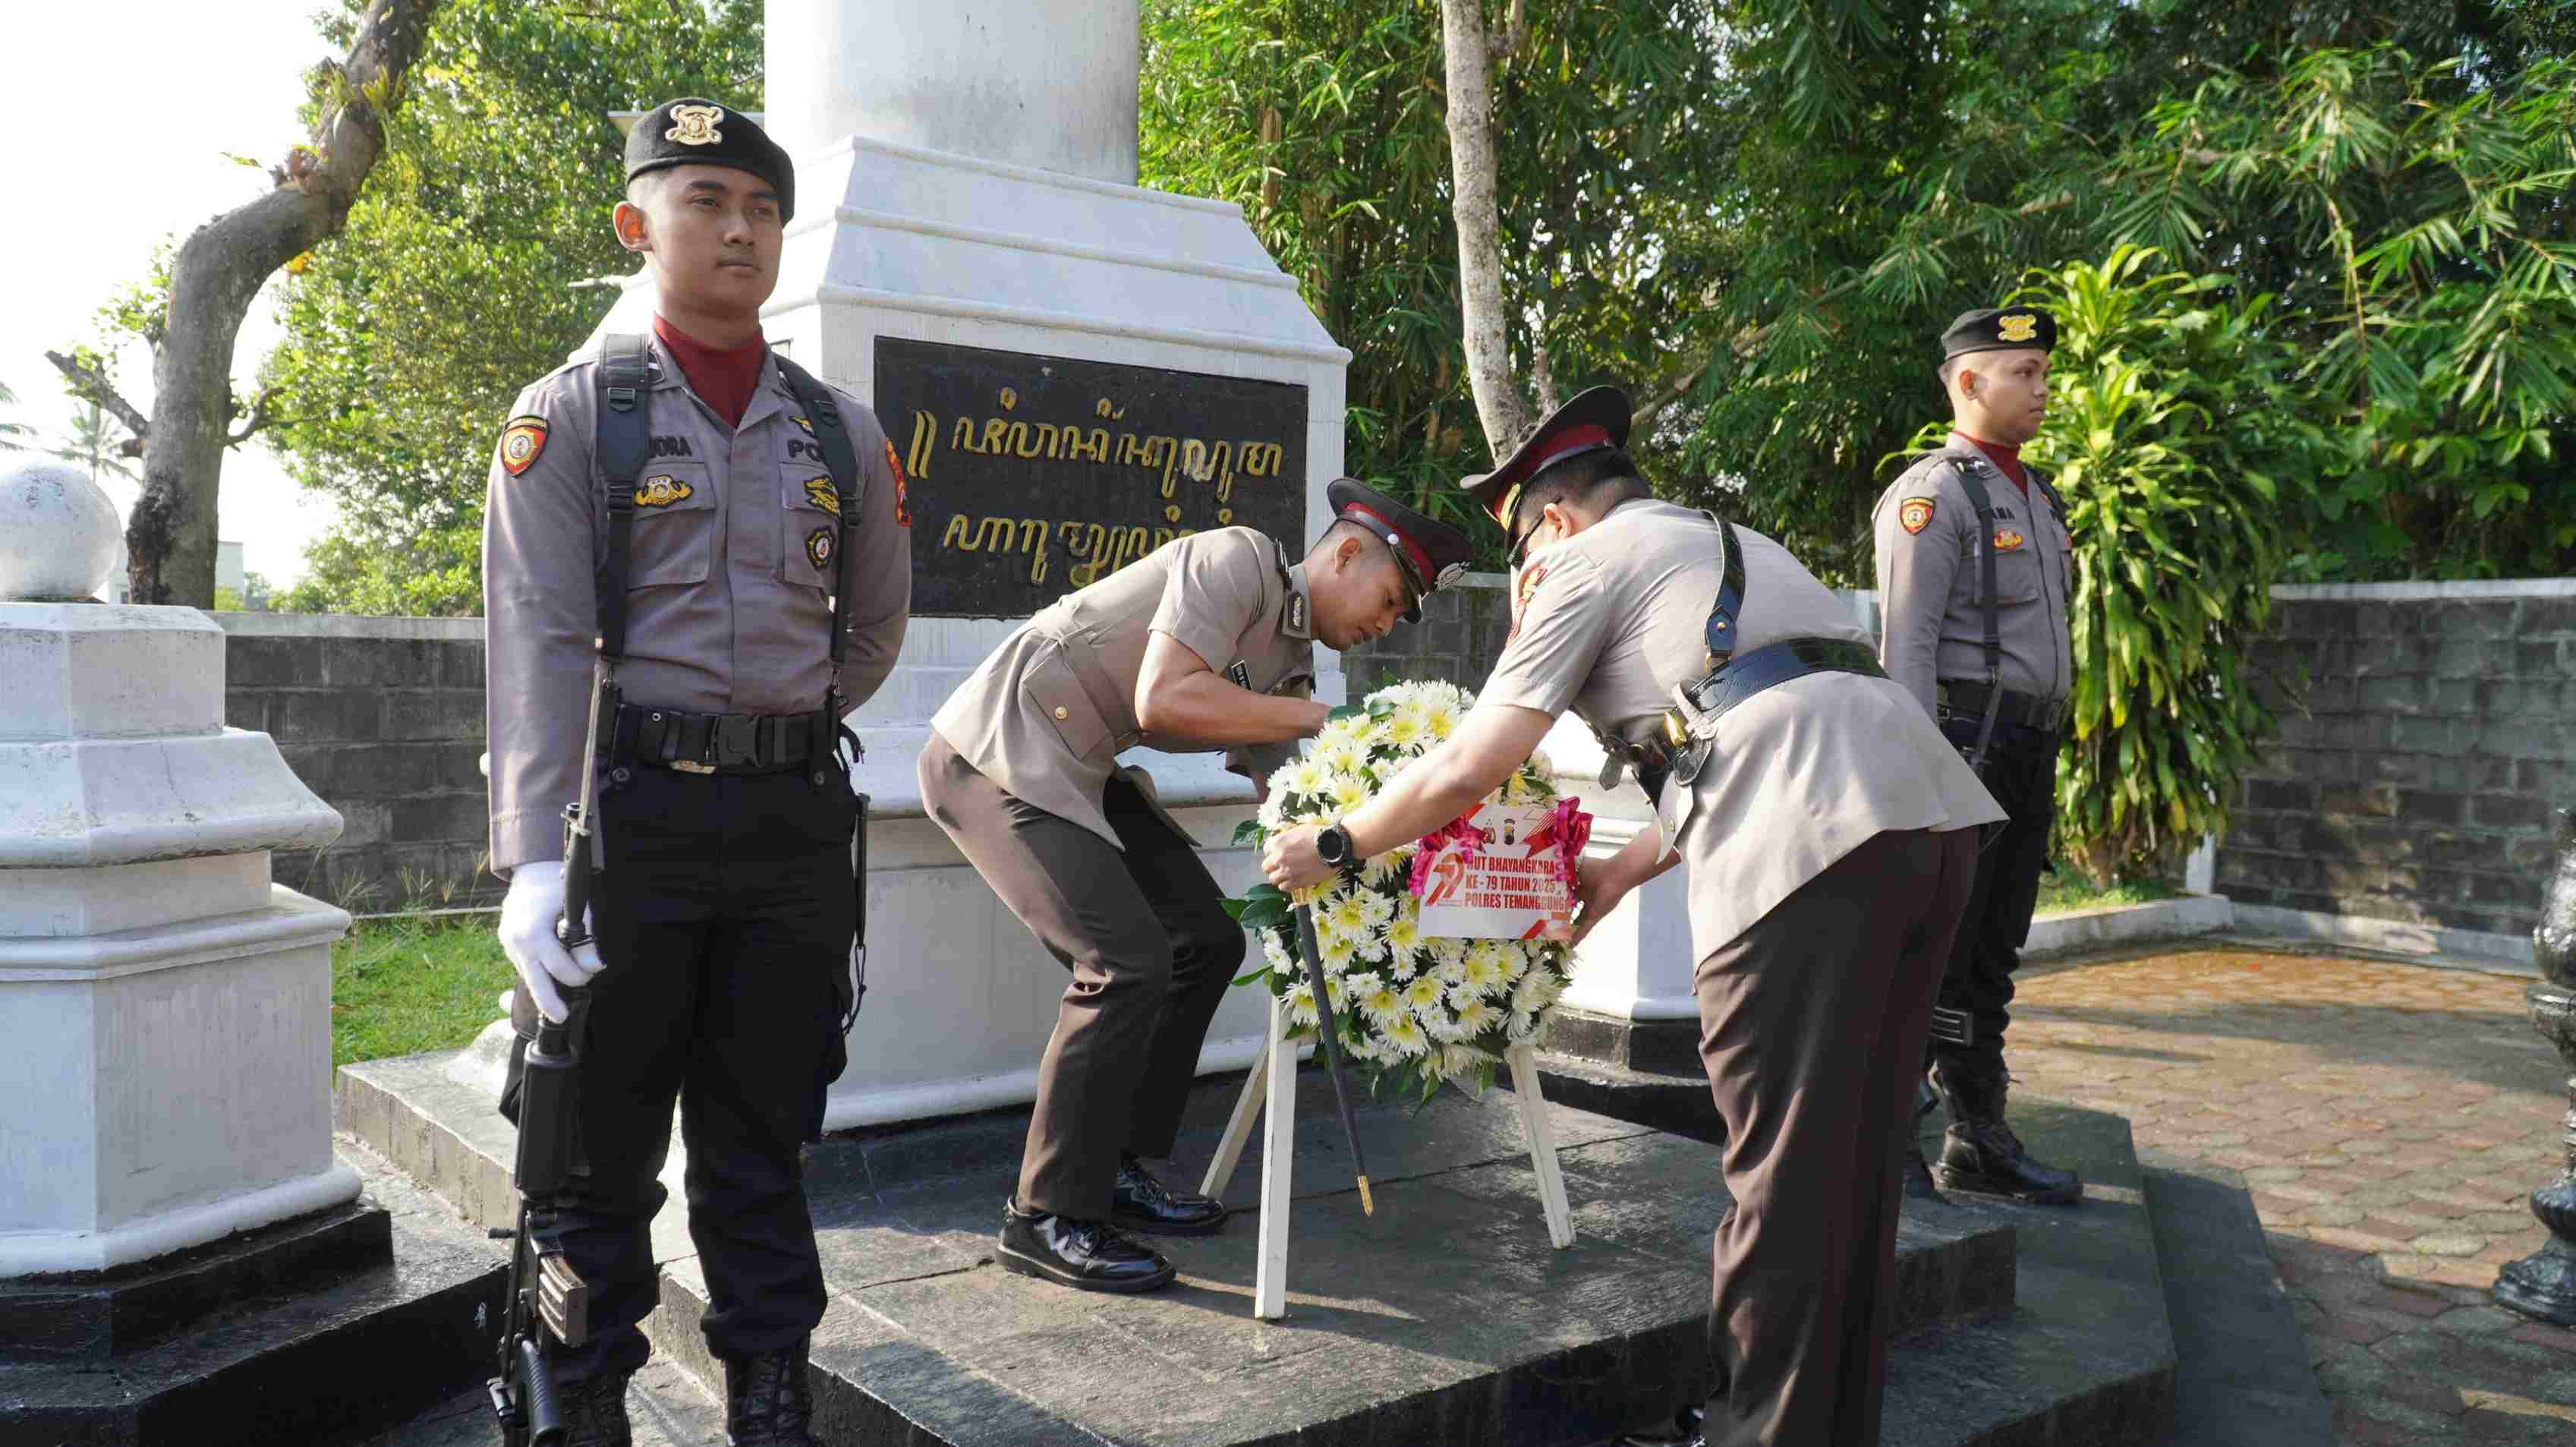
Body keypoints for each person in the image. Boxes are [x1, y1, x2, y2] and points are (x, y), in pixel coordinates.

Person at [1262, 387, 2001, 1447]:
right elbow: (1747, 707)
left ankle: (1758, 1434)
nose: (1525, 571)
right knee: (1852, 1168)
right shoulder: (1725, 539)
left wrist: (1338, 841)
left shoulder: (1580, 561)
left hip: (1811, 849)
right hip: (1924, 826)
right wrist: (1616, 873)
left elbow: (1476, 757)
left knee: (1781, 1180)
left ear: (1551, 520)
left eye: (1521, 545)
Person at [484, 99, 910, 1447]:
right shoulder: (574, 419)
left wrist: (769, 722)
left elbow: (874, 630)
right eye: (707, 199)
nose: (740, 228)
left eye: (763, 207)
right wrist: (535, 855)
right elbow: (538, 639)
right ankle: (579, 1401)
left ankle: (770, 1401)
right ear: (637, 224)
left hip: (789, 828)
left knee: (762, 1144)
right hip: (629, 825)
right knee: (594, 1149)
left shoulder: (842, 433)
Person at [921, 480, 1471, 1294]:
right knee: (1123, 960)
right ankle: (1042, 1214)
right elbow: (1165, 696)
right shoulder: (1237, 559)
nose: (1385, 625)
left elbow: (1287, 796)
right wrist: (1323, 720)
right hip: (997, 746)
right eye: (1390, 599)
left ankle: (1108, 1168)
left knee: (1203, 941)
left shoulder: (1289, 665)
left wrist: (1355, 873)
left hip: (1079, 765)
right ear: (1346, 552)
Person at [1871, 305, 2084, 1206]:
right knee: (1932, 951)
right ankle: (1888, 1146)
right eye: (2024, 372)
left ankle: (1977, 1135)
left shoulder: (2037, 495)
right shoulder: (1934, 495)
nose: (2043, 390)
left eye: (2043, 372)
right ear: (1968, 382)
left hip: (2027, 749)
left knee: (1992, 951)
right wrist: (1918, 777)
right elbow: (1906, 647)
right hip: (1961, 746)